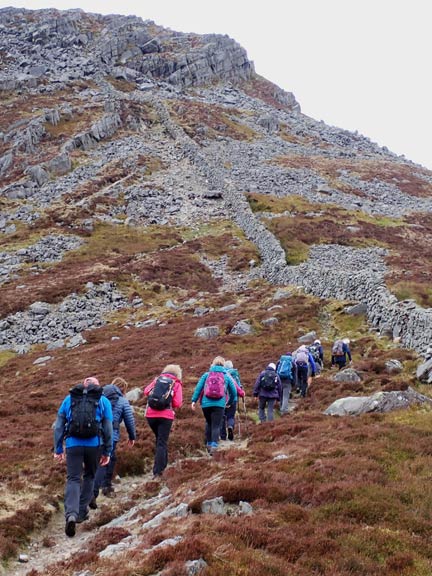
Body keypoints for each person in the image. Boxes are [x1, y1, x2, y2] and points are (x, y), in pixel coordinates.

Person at [53, 376, 113, 538]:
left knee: (73, 478)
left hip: (73, 444)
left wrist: (58, 448)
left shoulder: (69, 399)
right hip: (94, 445)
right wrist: (108, 451)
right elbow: (108, 428)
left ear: (83, 385)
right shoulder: (103, 401)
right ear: (98, 387)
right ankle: (80, 512)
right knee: (90, 476)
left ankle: (70, 514)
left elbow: (59, 425)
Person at [91, 377, 136, 507]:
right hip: (111, 435)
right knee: (106, 461)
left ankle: (93, 487)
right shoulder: (122, 400)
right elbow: (129, 419)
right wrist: (132, 436)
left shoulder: (99, 397)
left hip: (93, 434)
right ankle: (100, 489)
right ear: (123, 389)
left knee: (96, 461)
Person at [191, 356, 237, 454]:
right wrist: (229, 402)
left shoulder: (206, 375)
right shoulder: (226, 376)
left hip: (206, 404)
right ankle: (214, 446)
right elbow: (234, 391)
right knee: (216, 425)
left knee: (209, 423)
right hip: (219, 404)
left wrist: (193, 401)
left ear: (213, 364)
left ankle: (208, 443)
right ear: (223, 365)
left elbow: (198, 388)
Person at [144, 364, 183, 479]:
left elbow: (146, 391)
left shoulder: (157, 380)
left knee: (160, 441)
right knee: (162, 442)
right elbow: (178, 403)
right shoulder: (176, 383)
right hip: (165, 416)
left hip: (150, 415)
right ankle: (158, 471)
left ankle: (163, 465)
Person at [220, 360, 245, 441]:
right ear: (232, 367)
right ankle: (230, 426)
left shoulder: (222, 375)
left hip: (223, 400)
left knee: (222, 417)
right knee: (231, 416)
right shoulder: (235, 375)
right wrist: (241, 393)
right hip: (233, 399)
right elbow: (239, 387)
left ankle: (223, 436)